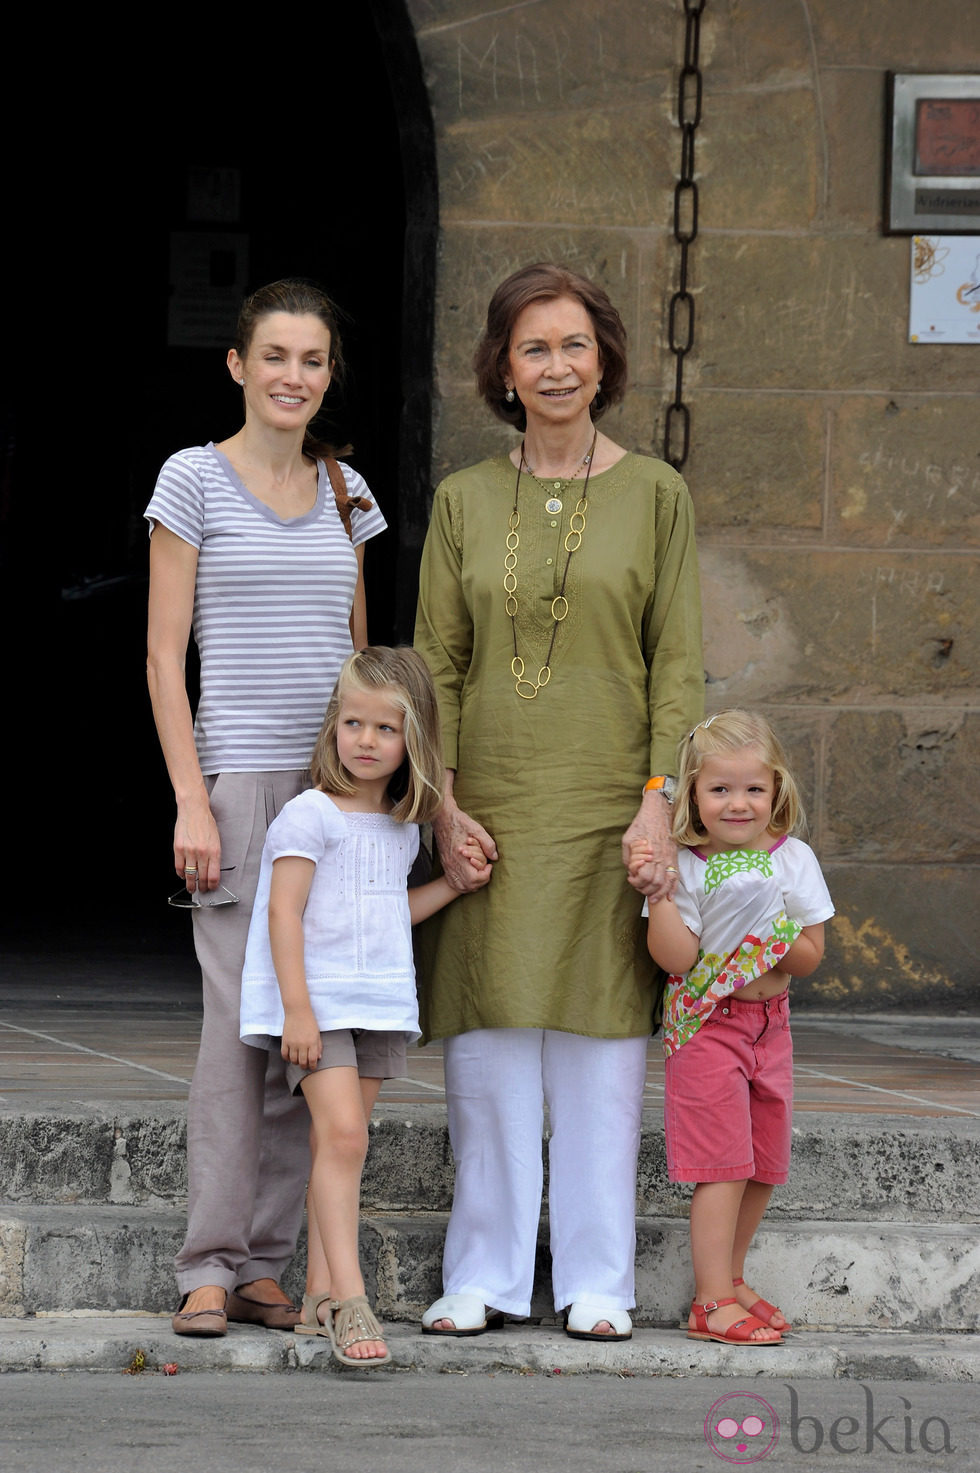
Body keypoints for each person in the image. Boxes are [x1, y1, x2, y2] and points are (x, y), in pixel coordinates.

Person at [414, 262, 704, 1340]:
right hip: (486, 799)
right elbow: (435, 665)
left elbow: (675, 663)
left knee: (599, 1049)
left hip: (606, 801)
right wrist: (441, 803)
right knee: (490, 1048)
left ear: (603, 360)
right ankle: (481, 1275)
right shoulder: (461, 499)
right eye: (532, 348)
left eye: (572, 345)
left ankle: (597, 1282)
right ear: (500, 367)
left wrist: (655, 802)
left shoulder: (656, 494)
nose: (554, 366)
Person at [145, 279, 388, 1337]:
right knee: (233, 1034)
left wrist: (388, 795)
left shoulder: (348, 489)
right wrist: (190, 798)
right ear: (238, 365)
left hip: (336, 791)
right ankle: (207, 1261)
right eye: (275, 356)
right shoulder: (192, 480)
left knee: (314, 1029)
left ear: (329, 376)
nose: (294, 376)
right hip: (237, 783)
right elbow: (162, 655)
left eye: (314, 360)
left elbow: (364, 663)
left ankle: (266, 1266)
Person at [239, 647, 491, 1365]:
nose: (366, 740)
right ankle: (352, 1301)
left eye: (384, 728)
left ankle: (319, 1292)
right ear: (334, 725)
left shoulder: (401, 825)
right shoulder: (308, 815)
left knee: (336, 1143)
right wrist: (296, 1010)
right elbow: (283, 915)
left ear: (412, 740)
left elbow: (385, 911)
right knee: (344, 1137)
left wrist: (451, 886)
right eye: (353, 722)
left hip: (379, 998)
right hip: (318, 1003)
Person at [636, 710, 834, 1346]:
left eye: (753, 788)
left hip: (769, 1025)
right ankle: (711, 1299)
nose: (738, 803)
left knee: (763, 1164)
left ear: (776, 789)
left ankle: (733, 1275)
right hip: (707, 1026)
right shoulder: (686, 864)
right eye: (720, 789)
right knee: (722, 1164)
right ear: (692, 792)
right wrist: (660, 894)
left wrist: (767, 925)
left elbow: (809, 955)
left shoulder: (791, 858)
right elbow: (676, 960)